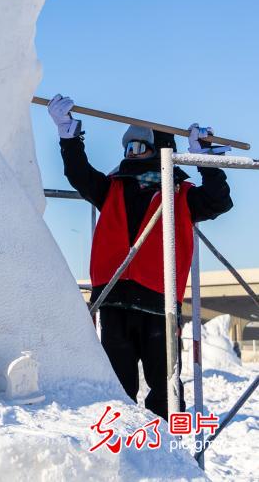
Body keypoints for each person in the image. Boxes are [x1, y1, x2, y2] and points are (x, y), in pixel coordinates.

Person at [47, 95, 233, 417]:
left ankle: (171, 455)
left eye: (139, 148)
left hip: (159, 305)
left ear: (161, 152)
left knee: (166, 393)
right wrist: (69, 135)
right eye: (128, 148)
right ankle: (123, 454)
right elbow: (79, 174)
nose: (131, 155)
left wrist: (203, 158)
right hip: (115, 299)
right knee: (117, 390)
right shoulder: (112, 188)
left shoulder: (180, 195)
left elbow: (219, 200)